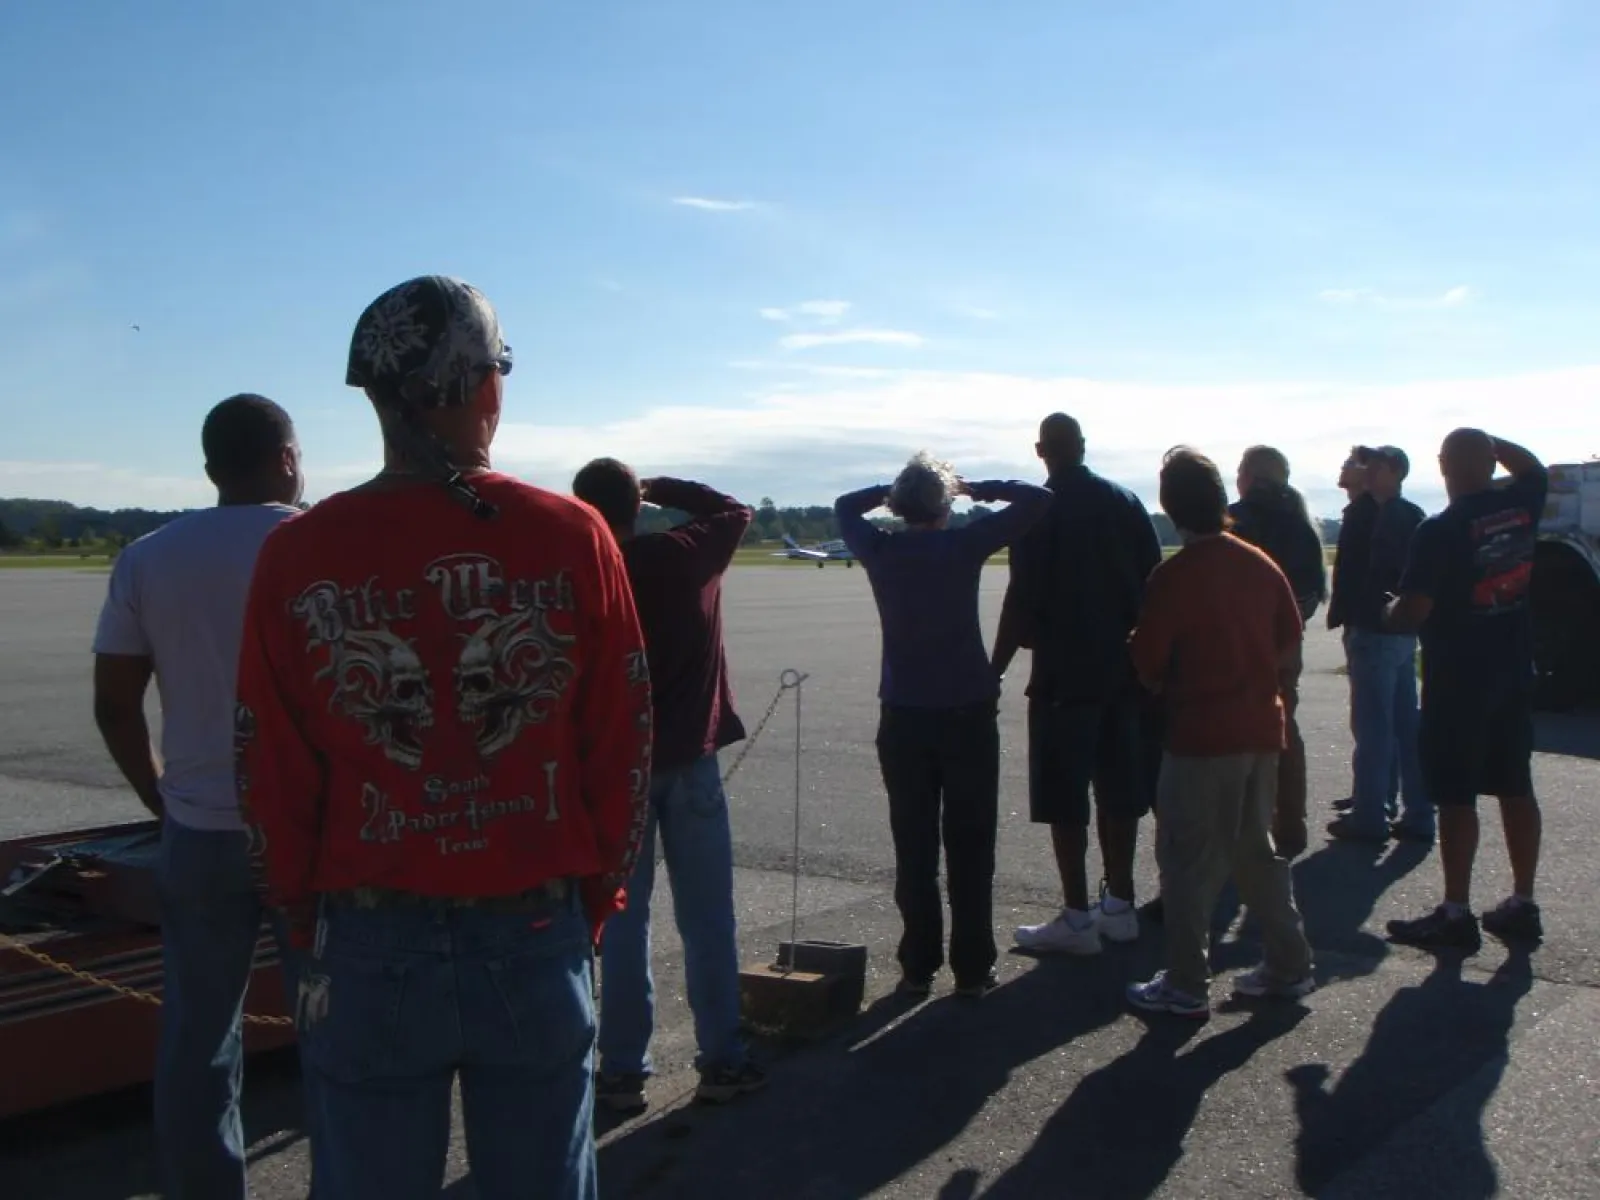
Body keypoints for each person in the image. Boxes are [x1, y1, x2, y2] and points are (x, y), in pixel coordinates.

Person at [234, 276, 652, 1200]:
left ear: (375, 396)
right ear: (488, 387)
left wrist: (303, 922)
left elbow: (269, 766)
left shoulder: (297, 553)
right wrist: (593, 902)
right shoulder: (574, 535)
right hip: (534, 922)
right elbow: (621, 742)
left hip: (368, 934)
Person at [92, 394, 308, 1200]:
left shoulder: (149, 556)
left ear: (211, 467)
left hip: (199, 827)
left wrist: (162, 799)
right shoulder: (317, 542)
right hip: (308, 832)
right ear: (286, 458)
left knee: (197, 1034)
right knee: (337, 1029)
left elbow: (114, 704)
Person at [570, 459, 766, 1113]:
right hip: (691, 760)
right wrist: (666, 488)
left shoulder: (584, 575)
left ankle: (623, 1068)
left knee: (623, 925)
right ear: (638, 507)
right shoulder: (685, 556)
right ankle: (721, 1059)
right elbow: (735, 511)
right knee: (709, 919)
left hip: (615, 769)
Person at [836, 453, 1051, 996]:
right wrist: (977, 488)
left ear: (902, 506)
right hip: (967, 710)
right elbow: (1036, 501)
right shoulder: (963, 544)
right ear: (943, 505)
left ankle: (918, 964)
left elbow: (843, 506)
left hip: (904, 712)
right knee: (972, 844)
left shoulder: (882, 550)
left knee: (914, 847)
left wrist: (888, 492)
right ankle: (973, 969)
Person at [1125, 447, 1315, 1018]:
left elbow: (1149, 663)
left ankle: (1186, 980)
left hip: (1202, 734)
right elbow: (1289, 644)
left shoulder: (1174, 576)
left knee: (1185, 859)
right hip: (1261, 728)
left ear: (1170, 506)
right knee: (1255, 852)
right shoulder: (1260, 564)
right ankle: (1289, 962)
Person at [991, 413, 1163, 954]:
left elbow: (1021, 598)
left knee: (1065, 796)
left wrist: (991, 670)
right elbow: (1153, 582)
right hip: (1123, 670)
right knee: (1120, 791)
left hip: (1063, 674)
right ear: (1083, 447)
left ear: (1042, 450)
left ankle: (1075, 914)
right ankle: (1120, 904)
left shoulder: (1039, 510)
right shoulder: (1126, 502)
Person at [1383, 430, 1548, 951]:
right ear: (1490, 464)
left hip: (1458, 682)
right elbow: (1534, 468)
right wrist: (1492, 443)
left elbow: (1414, 612)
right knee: (1515, 785)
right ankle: (1523, 901)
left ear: (1443, 466)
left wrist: (1387, 612)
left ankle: (1455, 913)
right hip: (1513, 672)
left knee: (1456, 796)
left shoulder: (1441, 529)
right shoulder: (1520, 504)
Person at [1326, 445, 1434, 846]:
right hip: (1400, 633)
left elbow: (1377, 573)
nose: (1365, 471)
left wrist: (1362, 612)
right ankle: (1419, 813)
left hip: (1376, 630)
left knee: (1373, 727)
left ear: (1392, 470)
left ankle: (1370, 816)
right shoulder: (1408, 514)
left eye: (1373, 465)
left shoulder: (1387, 514)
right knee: (1406, 726)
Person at [1227, 445, 1327, 861]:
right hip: (1286, 642)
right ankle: (1290, 824)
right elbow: (1309, 591)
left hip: (1237, 644)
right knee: (1285, 730)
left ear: (1248, 475)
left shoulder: (1235, 520)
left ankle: (1241, 827)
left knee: (1233, 735)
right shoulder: (1300, 525)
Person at [1327, 452, 1398, 819]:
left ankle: (1374, 805)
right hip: (1364, 622)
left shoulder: (1373, 511)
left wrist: (1359, 611)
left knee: (1374, 720)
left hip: (1370, 624)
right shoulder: (1361, 509)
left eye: (1353, 461)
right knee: (1373, 718)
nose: (1345, 466)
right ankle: (1372, 795)